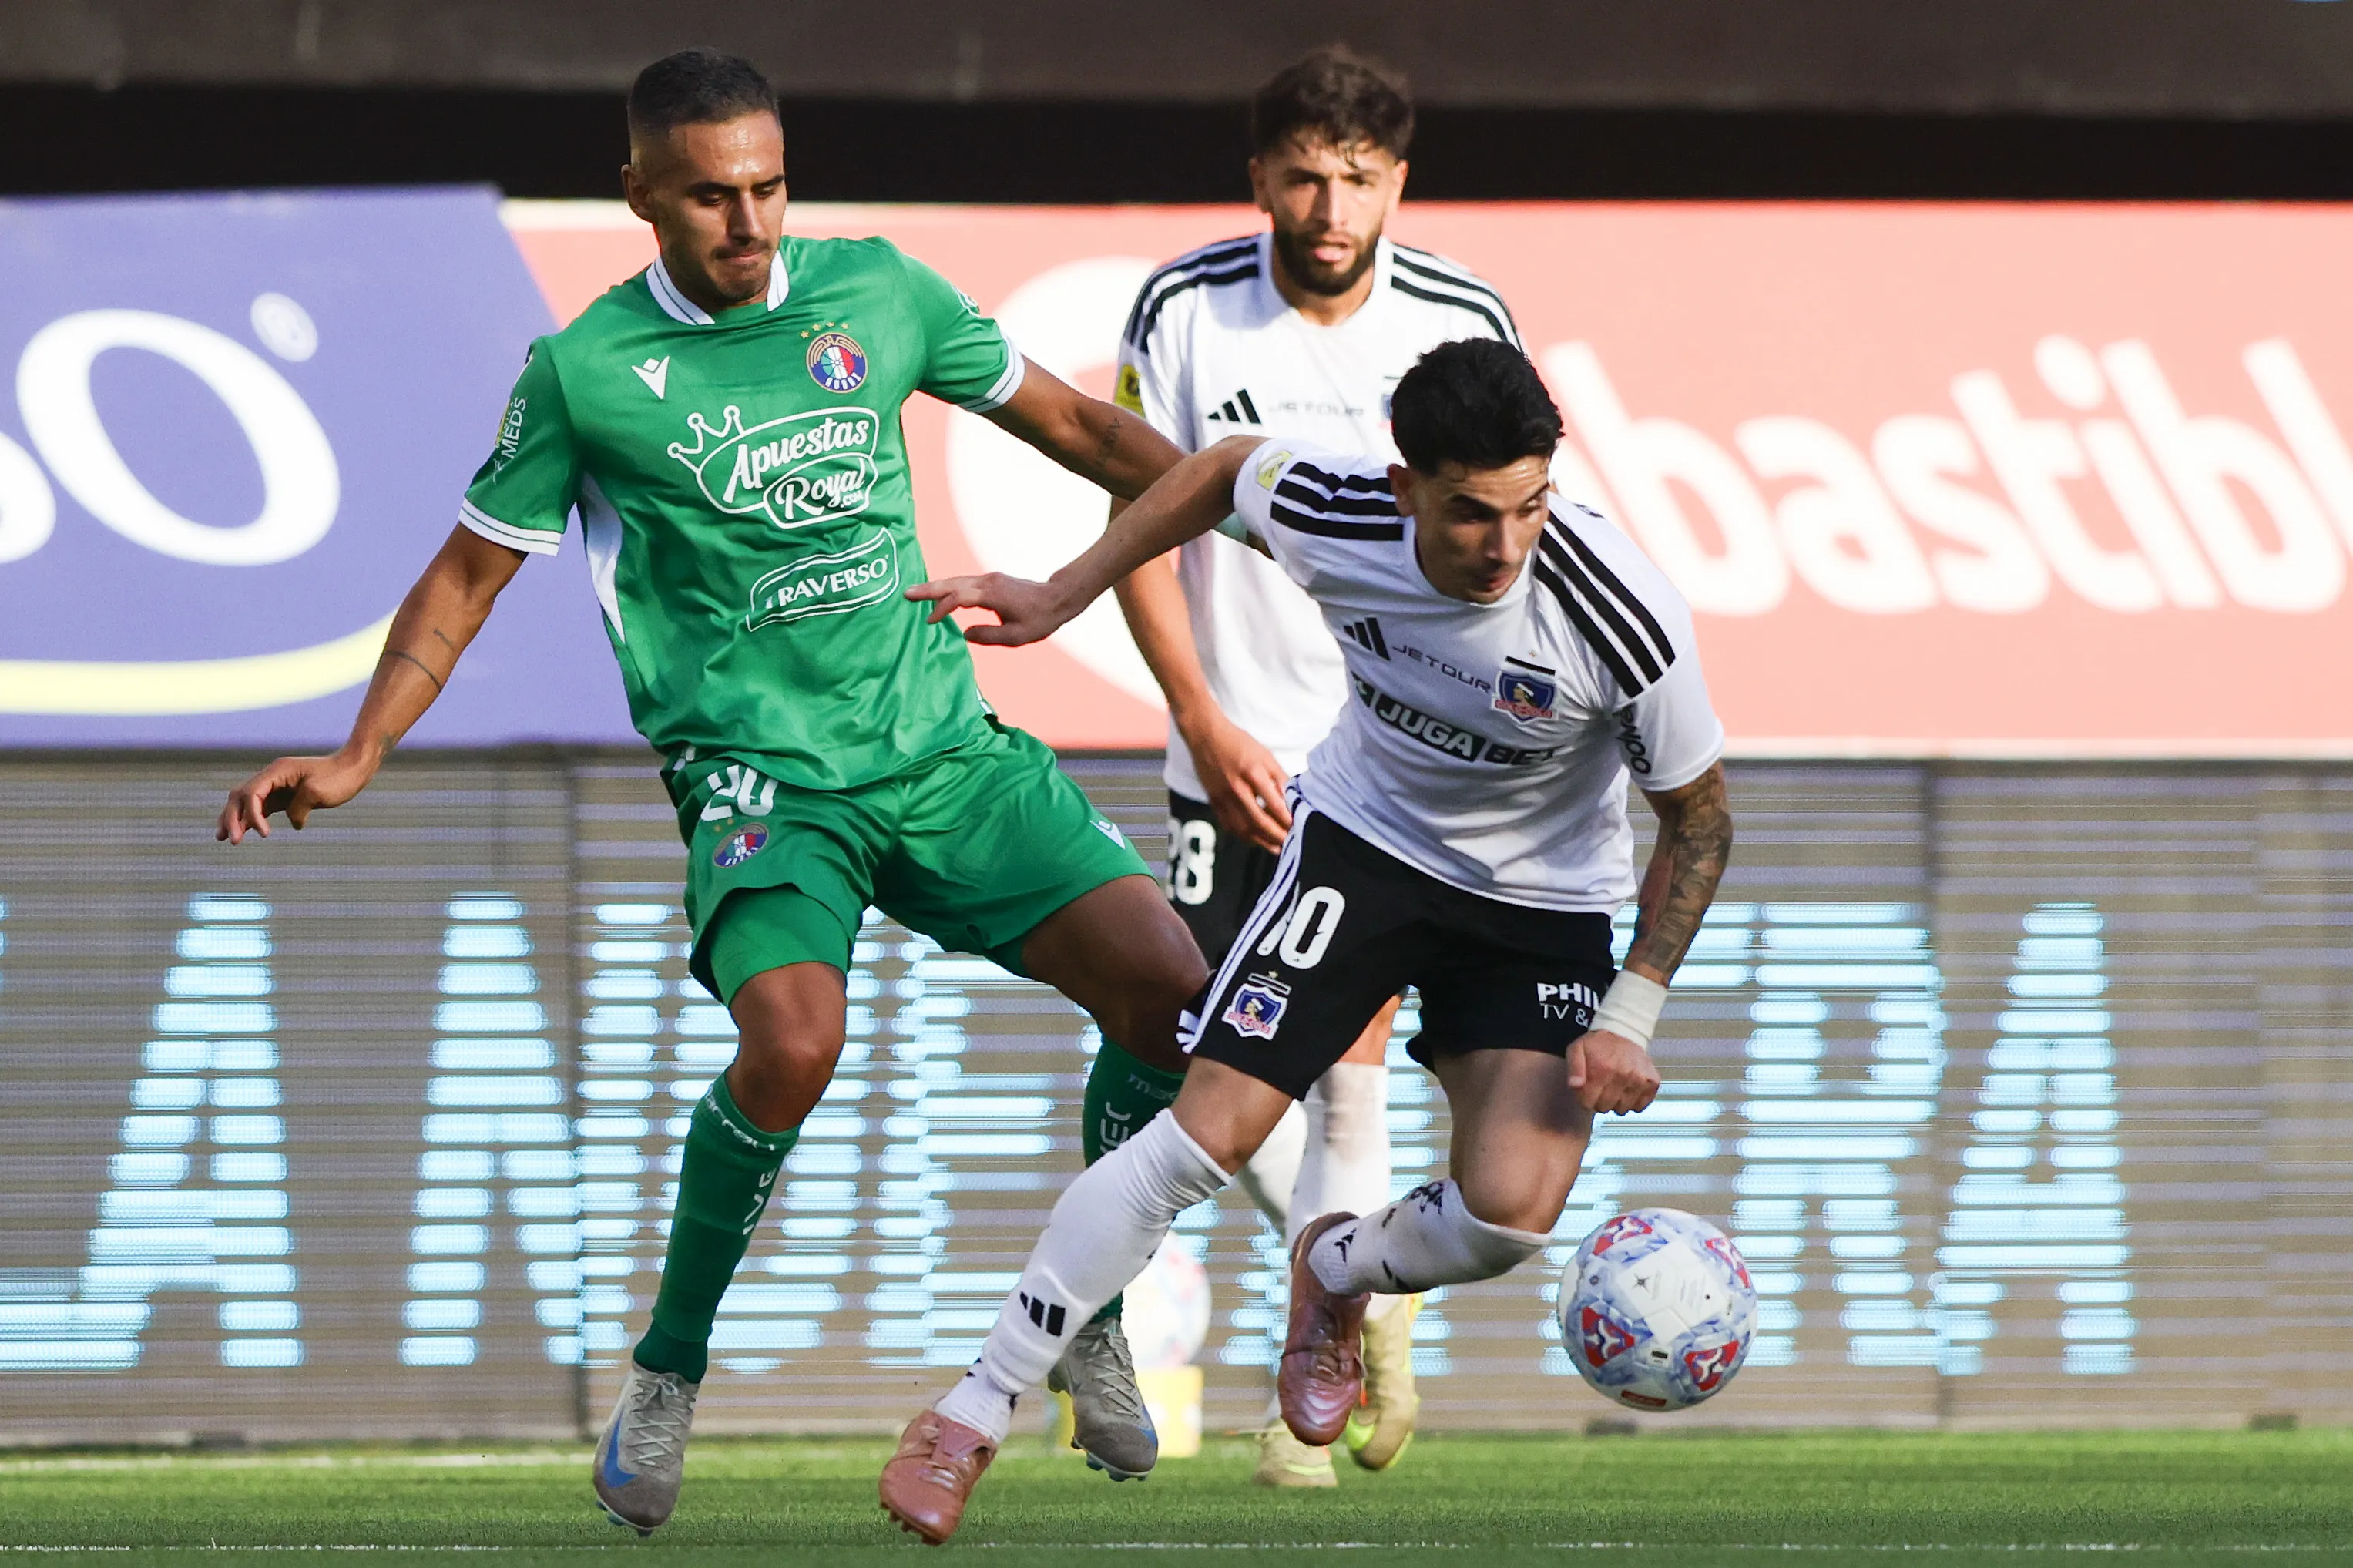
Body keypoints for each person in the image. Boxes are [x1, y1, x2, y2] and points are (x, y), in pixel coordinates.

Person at [213, 46, 1207, 1533]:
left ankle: (1090, 1318)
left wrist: (1237, 523)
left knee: (1172, 1003)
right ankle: (668, 1372)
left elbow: (1093, 439)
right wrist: (362, 750)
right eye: (709, 196)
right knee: (795, 1044)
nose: (747, 222)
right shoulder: (587, 372)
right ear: (640, 197)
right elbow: (468, 573)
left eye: (767, 186)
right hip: (758, 779)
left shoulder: (881, 295)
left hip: (943, 750)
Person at [875, 339, 1734, 1545]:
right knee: (1199, 1138)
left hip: (1539, 907)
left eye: (1529, 505)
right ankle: (972, 1409)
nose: (1503, 545)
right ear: (1403, 490)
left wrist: (1630, 1009)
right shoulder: (1338, 510)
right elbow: (1222, 468)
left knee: (1504, 1219)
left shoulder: (1621, 612)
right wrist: (1066, 591)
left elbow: (1698, 820)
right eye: (1470, 512)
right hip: (1366, 849)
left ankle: (1336, 1267)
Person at [1111, 44, 1524, 1486]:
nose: (1328, 201)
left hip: (1387, 766)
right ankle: (1357, 1287)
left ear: (1395, 183)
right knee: (1206, 1069)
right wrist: (1202, 716)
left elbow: (1500, 539)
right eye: (1303, 172)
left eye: (1356, 176)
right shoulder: (1183, 309)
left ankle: (1340, 1339)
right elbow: (1144, 521)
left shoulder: (1462, 316)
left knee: (1348, 1072)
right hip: (1219, 756)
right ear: (1260, 180)